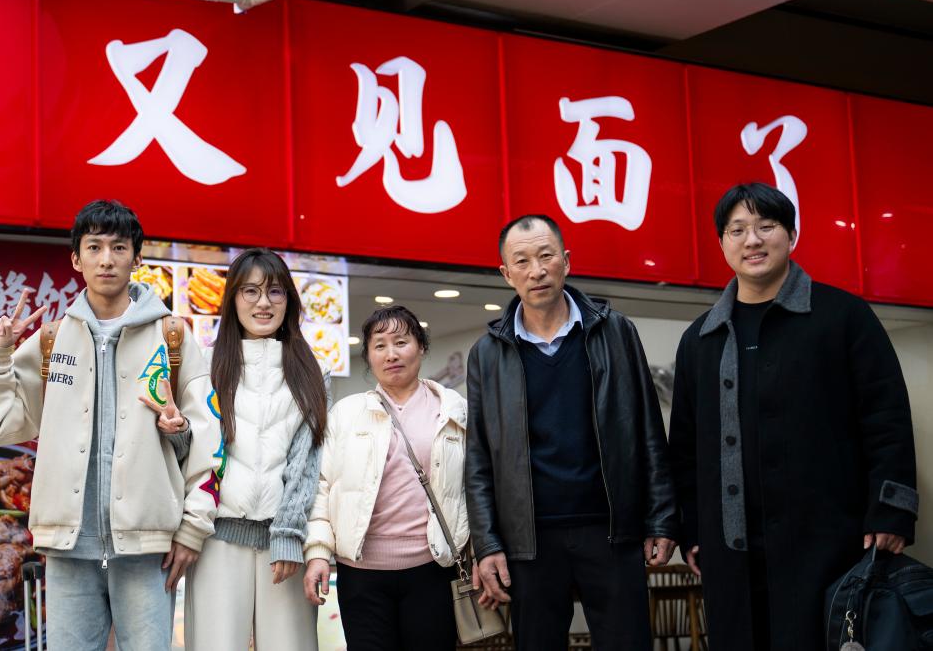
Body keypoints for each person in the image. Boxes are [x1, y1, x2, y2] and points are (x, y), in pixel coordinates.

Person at [668, 182, 918, 651]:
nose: (752, 240)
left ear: (792, 235)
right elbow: (684, 449)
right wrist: (691, 529)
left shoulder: (844, 316)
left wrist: (891, 511)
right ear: (722, 243)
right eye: (737, 230)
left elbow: (886, 419)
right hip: (731, 553)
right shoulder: (700, 338)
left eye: (766, 226)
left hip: (830, 543)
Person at [0, 199, 221, 650]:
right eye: (95, 247)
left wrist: (193, 529)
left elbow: (210, 443)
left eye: (119, 247)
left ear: (136, 259)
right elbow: (0, 425)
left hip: (147, 549)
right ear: (76, 259)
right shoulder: (51, 340)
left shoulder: (172, 337)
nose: (106, 259)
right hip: (69, 549)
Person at [466, 214, 679, 651]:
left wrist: (661, 518)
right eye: (522, 261)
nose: (536, 270)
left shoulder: (615, 332)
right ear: (506, 274)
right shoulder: (487, 354)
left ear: (566, 261)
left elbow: (648, 430)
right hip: (530, 540)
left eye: (546, 256)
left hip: (612, 529)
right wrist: (487, 544)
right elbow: (479, 459)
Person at [184, 248, 330, 650]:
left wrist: (289, 534)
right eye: (250, 291)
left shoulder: (312, 372)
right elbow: (194, 453)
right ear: (232, 299)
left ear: (289, 301)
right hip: (216, 537)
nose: (263, 303)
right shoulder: (205, 366)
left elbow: (309, 463)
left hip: (284, 542)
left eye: (275, 291)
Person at [303, 305, 469, 651]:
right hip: (361, 573)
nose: (391, 354)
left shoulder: (453, 409)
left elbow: (472, 486)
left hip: (432, 568)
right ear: (368, 356)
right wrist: (318, 552)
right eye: (379, 346)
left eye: (401, 342)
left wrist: (480, 552)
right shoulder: (345, 414)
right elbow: (320, 487)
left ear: (421, 347)